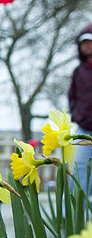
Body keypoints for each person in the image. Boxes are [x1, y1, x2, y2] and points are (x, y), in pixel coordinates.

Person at [69, 24, 92, 194]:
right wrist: (77, 114)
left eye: (90, 41)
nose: (87, 45)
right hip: (84, 128)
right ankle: (70, 216)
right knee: (78, 169)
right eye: (83, 42)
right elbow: (72, 96)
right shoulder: (78, 71)